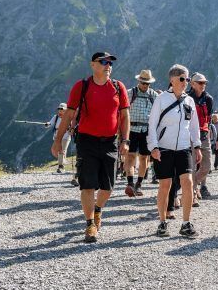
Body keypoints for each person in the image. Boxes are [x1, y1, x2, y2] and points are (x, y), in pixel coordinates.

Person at [51, 51, 130, 243]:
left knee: (108, 187)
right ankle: (89, 224)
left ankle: (97, 209)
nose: (108, 65)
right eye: (103, 62)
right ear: (92, 65)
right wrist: (57, 140)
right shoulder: (82, 86)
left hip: (110, 141)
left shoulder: (119, 87)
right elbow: (69, 115)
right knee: (87, 185)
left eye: (110, 62)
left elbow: (125, 116)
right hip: (87, 141)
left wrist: (125, 141)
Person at [147, 64, 202, 237]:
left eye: (187, 79)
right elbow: (152, 124)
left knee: (188, 182)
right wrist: (153, 147)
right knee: (165, 185)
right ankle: (162, 222)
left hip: (184, 148)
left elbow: (194, 126)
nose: (186, 82)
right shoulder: (161, 99)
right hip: (164, 148)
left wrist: (198, 146)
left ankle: (186, 223)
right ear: (172, 79)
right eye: (182, 79)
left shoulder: (189, 101)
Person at [124, 69, 158, 198]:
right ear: (139, 81)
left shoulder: (154, 96)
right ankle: (130, 183)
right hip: (131, 129)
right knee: (130, 156)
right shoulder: (130, 93)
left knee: (144, 158)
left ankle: (139, 184)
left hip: (147, 130)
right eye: (143, 82)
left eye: (147, 83)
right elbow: (123, 111)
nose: (145, 85)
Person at [188, 73, 214, 201]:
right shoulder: (187, 98)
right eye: (200, 83)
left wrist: (208, 133)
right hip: (190, 136)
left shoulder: (208, 99)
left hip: (204, 136)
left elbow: (208, 119)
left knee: (207, 166)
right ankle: (191, 193)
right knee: (192, 166)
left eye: (204, 83)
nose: (203, 85)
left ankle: (191, 186)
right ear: (192, 84)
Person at [46, 102, 72, 174]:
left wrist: (71, 129)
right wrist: (47, 124)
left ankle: (60, 166)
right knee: (55, 150)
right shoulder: (56, 117)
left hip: (66, 136)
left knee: (62, 150)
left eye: (62, 109)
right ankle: (63, 160)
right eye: (59, 109)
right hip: (57, 136)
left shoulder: (69, 117)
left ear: (66, 110)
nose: (60, 111)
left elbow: (73, 125)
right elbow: (50, 123)